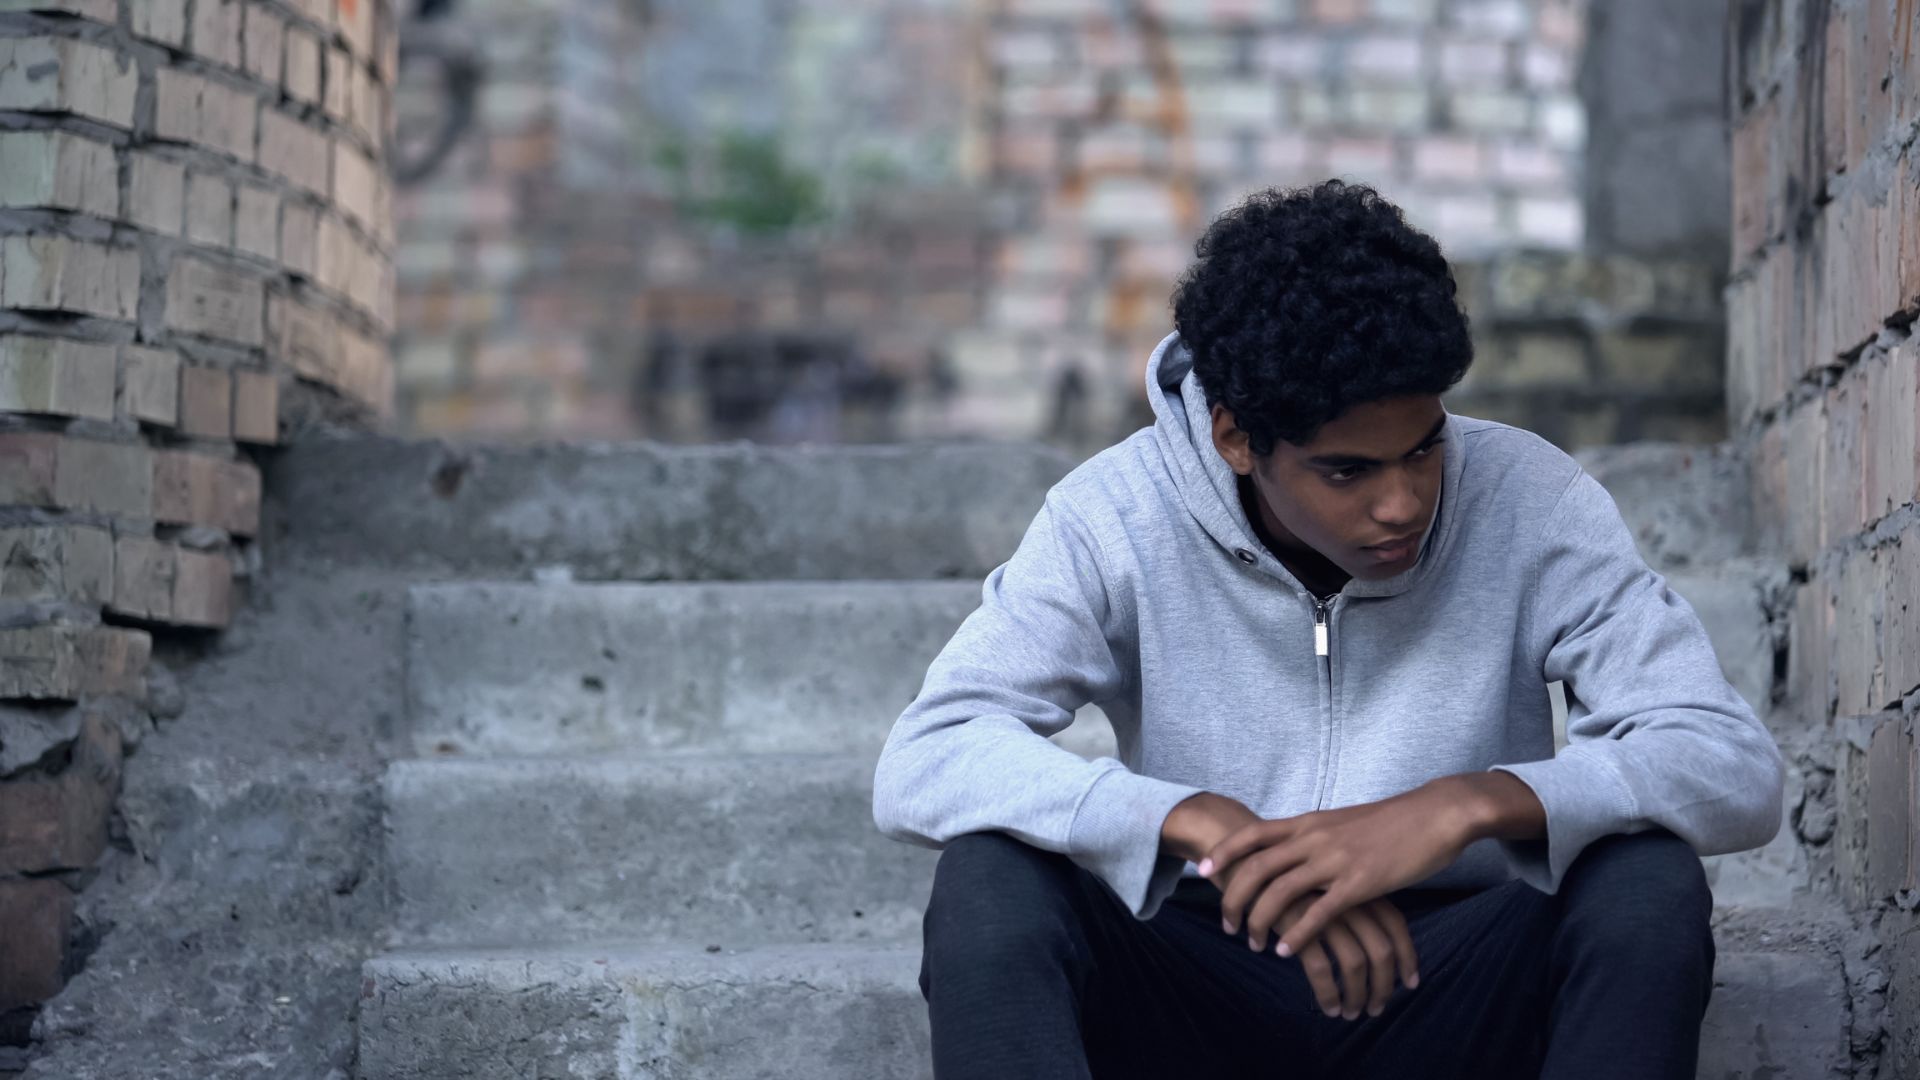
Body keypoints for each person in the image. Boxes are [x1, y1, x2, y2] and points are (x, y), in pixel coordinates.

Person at [870, 180, 1785, 1080]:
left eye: (1423, 448)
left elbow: (1727, 760)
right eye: (1347, 471)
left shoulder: (1532, 501)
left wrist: (1462, 805)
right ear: (1236, 438)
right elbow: (932, 751)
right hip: (1194, 978)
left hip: (1448, 976)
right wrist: (1196, 824)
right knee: (989, 881)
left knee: (1647, 879)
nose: (1403, 502)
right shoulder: (1114, 515)